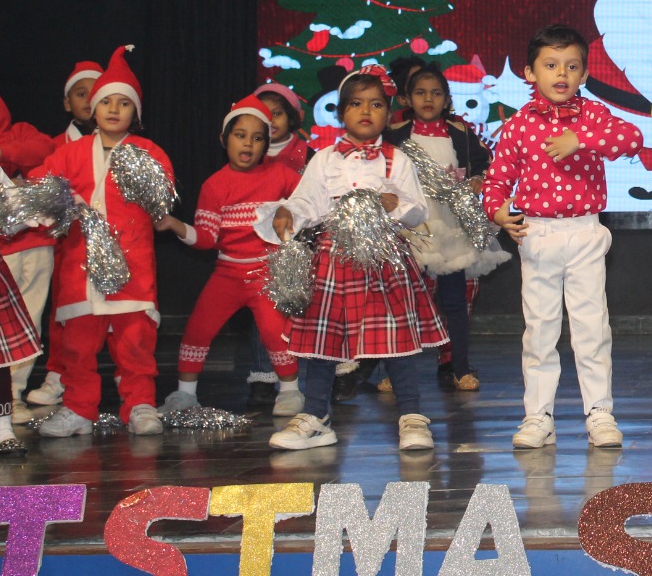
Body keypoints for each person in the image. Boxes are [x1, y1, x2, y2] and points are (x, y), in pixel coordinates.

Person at [258, 65, 445, 452]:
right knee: (323, 342)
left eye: (376, 104)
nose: (366, 111)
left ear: (388, 113)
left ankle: (411, 415)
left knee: (395, 340)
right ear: (341, 112)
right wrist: (288, 213)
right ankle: (316, 416)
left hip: (384, 261)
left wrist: (396, 205)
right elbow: (308, 201)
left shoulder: (397, 159)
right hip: (333, 260)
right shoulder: (326, 159)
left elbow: (418, 211)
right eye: (357, 103)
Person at [483, 25, 644, 449]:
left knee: (592, 328)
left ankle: (600, 413)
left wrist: (582, 138)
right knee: (539, 332)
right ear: (529, 73)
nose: (562, 74)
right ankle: (538, 416)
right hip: (538, 234)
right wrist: (497, 211)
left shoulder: (593, 116)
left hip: (584, 231)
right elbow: (496, 180)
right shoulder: (518, 125)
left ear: (584, 75)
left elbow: (632, 139)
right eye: (551, 65)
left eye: (572, 67)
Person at [29, 46, 176, 438]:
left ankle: (140, 404)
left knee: (135, 342)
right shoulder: (70, 153)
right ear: (93, 109)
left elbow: (163, 197)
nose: (114, 109)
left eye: (124, 103)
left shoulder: (149, 152)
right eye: (106, 101)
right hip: (80, 269)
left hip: (132, 268)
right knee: (77, 345)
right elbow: (41, 186)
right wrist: (62, 201)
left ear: (135, 113)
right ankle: (78, 408)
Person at [157, 95, 303, 417]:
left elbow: (307, 201)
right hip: (228, 275)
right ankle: (185, 394)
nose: (248, 143)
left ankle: (290, 391)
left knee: (273, 331)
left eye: (257, 138)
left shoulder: (281, 175)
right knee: (198, 329)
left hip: (266, 274)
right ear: (224, 140)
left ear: (266, 145)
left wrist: (290, 211)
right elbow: (206, 239)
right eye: (240, 135)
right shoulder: (215, 185)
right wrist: (175, 225)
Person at [386, 64, 503, 393]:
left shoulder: (459, 132)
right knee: (405, 301)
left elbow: (483, 163)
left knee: (454, 300)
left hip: (451, 227)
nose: (428, 99)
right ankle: (393, 372)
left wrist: (477, 179)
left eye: (436, 93)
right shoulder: (395, 133)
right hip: (410, 228)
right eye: (421, 93)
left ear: (447, 99)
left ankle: (460, 367)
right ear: (408, 98)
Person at [0, 76, 54, 413]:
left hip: (35, 244)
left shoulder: (19, 133)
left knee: (26, 321)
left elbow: (44, 150)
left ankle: (12, 395)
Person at [24, 60, 104, 410]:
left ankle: (128, 377)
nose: (89, 100)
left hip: (114, 242)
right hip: (68, 243)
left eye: (96, 94)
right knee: (64, 309)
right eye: (80, 94)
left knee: (123, 313)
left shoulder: (122, 145)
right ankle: (58, 373)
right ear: (67, 103)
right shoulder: (55, 146)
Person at [255, 82, 310, 175]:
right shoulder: (248, 151)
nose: (270, 120)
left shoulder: (309, 156)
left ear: (291, 118)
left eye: (276, 113)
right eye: (263, 113)